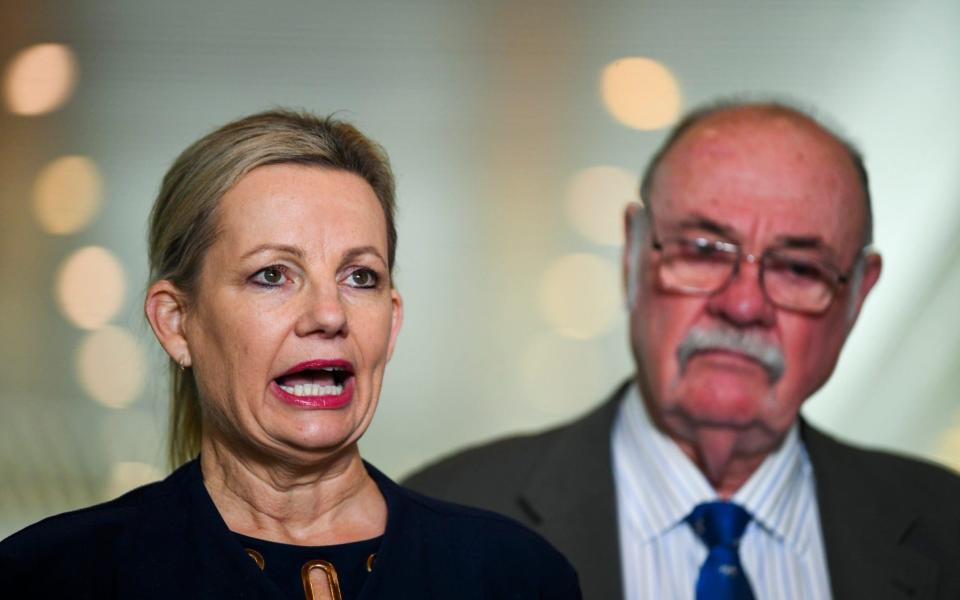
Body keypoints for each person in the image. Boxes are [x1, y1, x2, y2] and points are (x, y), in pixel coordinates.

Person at [0, 109, 581, 599]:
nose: (329, 315)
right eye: (273, 274)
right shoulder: (50, 575)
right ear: (177, 323)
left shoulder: (514, 576)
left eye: (360, 277)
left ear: (393, 321)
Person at [405, 101, 960, 599]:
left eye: (798, 268)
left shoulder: (947, 527)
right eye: (701, 250)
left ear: (857, 295)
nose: (743, 305)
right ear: (633, 255)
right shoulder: (437, 527)